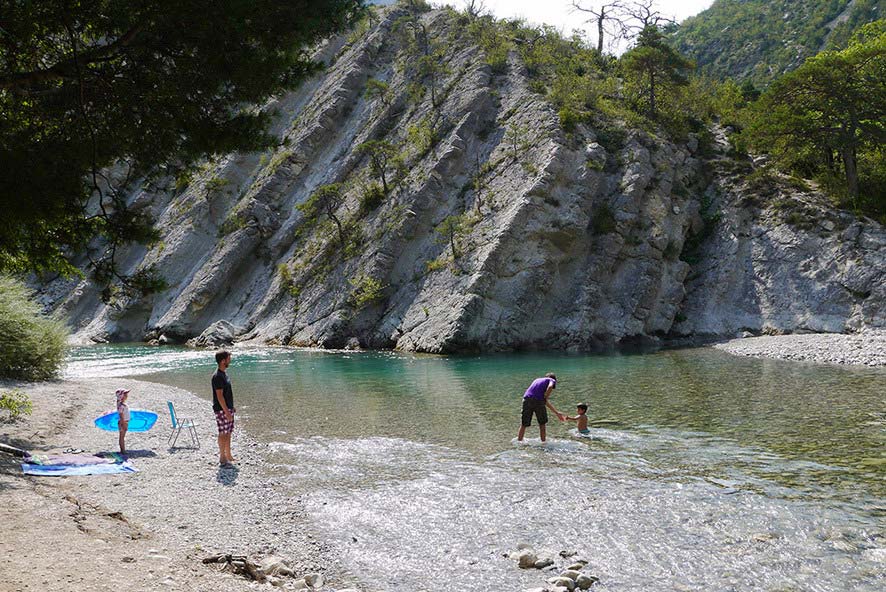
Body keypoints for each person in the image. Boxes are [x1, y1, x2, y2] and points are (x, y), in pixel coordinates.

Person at [517, 372, 564, 442]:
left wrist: (557, 413)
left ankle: (519, 441)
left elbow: (545, 402)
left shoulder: (537, 380)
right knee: (542, 423)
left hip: (526, 399)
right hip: (538, 401)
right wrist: (546, 396)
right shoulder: (551, 380)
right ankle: (543, 443)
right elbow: (550, 387)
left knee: (524, 423)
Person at [212, 351, 236, 465]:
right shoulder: (217, 376)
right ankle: (222, 457)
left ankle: (228, 454)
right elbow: (219, 396)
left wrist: (231, 407)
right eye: (228, 358)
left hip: (227, 408)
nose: (230, 360)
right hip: (221, 409)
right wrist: (226, 411)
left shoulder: (224, 374)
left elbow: (227, 393)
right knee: (223, 432)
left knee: (229, 432)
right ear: (223, 361)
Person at [115, 388, 131, 455]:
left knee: (122, 436)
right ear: (121, 396)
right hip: (122, 423)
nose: (127, 396)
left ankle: (123, 450)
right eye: (125, 395)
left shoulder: (122, 405)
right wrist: (124, 424)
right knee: (122, 437)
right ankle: (123, 451)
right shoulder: (121, 406)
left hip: (124, 422)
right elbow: (121, 416)